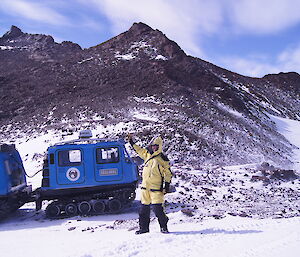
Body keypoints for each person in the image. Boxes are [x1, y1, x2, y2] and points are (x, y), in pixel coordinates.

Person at [127, 134, 172, 234]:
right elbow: (139, 150)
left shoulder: (163, 159)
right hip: (145, 189)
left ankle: (163, 226)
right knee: (143, 210)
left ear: (159, 146)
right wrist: (131, 142)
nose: (154, 147)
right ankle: (144, 228)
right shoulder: (147, 155)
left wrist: (167, 185)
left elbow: (168, 173)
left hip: (156, 189)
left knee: (157, 209)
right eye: (153, 146)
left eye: (156, 145)